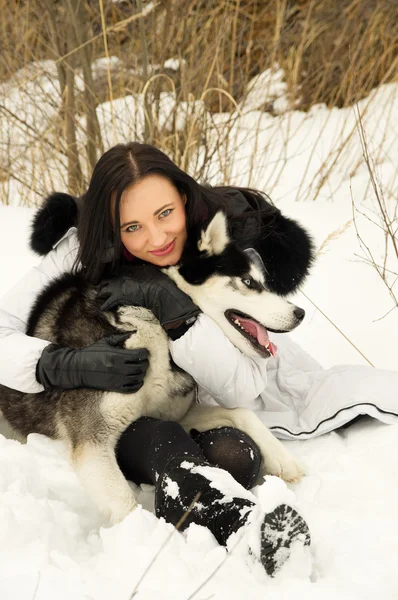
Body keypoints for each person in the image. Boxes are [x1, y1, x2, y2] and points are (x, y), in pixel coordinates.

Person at [0, 142, 313, 577]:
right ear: (112, 229)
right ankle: (238, 528)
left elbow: (243, 383)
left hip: (187, 386)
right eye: (133, 226)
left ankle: (214, 511)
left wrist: (179, 315)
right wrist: (58, 364)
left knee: (238, 456)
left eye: (165, 213)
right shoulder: (82, 250)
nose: (157, 238)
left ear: (184, 200)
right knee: (161, 435)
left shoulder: (220, 250)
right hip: (108, 384)